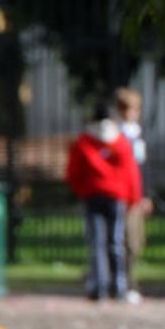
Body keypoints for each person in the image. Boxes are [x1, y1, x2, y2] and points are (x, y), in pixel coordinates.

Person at [66, 102, 143, 304]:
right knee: (115, 241)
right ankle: (119, 286)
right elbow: (131, 173)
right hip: (116, 197)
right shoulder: (121, 143)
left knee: (97, 242)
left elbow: (73, 172)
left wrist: (82, 190)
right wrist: (134, 196)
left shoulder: (84, 142)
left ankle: (99, 286)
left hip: (93, 196)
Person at [114, 87, 151, 303]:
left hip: (136, 195)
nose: (133, 113)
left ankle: (126, 279)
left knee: (136, 242)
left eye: (136, 109)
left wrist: (145, 195)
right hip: (122, 195)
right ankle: (125, 283)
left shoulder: (138, 135)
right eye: (128, 109)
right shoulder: (116, 136)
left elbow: (143, 168)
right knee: (123, 241)